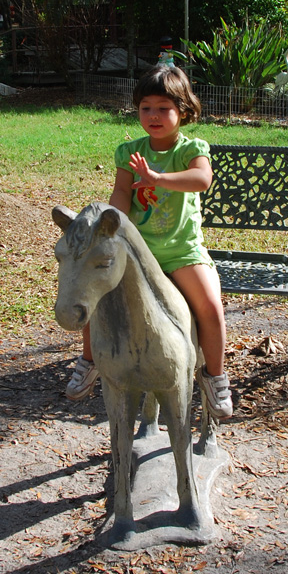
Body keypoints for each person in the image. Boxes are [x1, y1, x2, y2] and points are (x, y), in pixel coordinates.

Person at [65, 64, 233, 419]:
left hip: (179, 250)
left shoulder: (191, 149)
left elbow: (201, 179)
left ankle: (215, 376)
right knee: (98, 296)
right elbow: (121, 195)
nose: (153, 115)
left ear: (184, 111)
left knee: (210, 307)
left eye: (163, 108)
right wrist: (110, 228)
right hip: (138, 252)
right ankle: (89, 360)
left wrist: (156, 177)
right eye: (146, 108)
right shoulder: (129, 151)